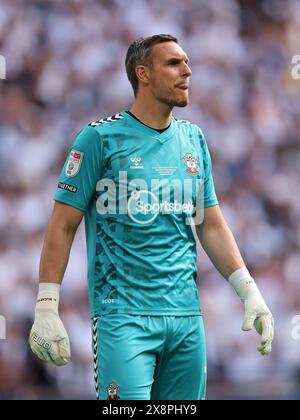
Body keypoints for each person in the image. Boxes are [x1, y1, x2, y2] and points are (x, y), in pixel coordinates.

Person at [29, 34, 274, 400]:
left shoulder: (194, 140)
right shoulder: (99, 139)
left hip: (186, 317)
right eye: (174, 63)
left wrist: (249, 291)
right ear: (143, 73)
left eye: (187, 62)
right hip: (122, 317)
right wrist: (47, 305)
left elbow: (210, 223)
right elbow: (62, 225)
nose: (187, 71)